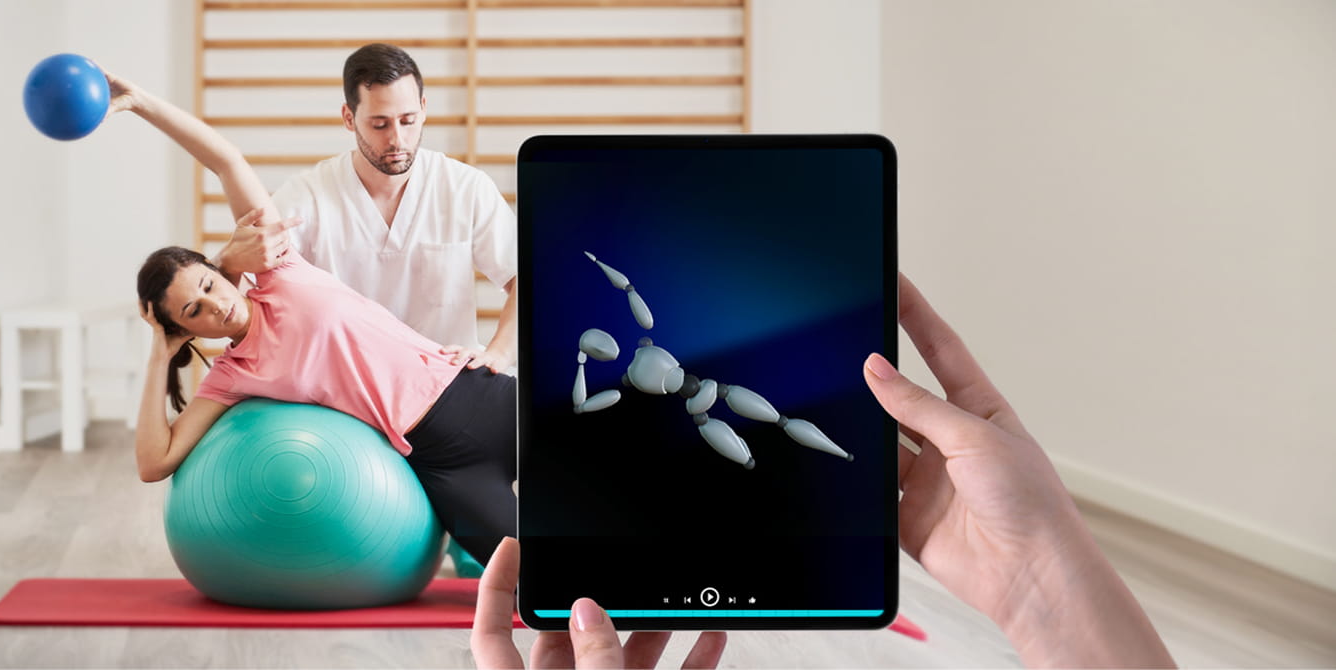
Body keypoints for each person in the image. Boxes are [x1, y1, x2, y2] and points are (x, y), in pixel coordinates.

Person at [471, 274, 1177, 669]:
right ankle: (828, 457)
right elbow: (588, 391)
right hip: (700, 402)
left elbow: (615, 326)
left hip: (700, 400)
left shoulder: (633, 352)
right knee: (761, 437)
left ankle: (831, 457)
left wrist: (1036, 576)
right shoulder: (629, 362)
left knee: (764, 436)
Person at [112, 70, 517, 567]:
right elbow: (155, 463)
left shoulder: (280, 269)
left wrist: (138, 102)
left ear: (222, 270)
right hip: (437, 461)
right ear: (188, 329)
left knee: (614, 460)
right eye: (194, 311)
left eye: (208, 285)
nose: (215, 305)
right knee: (539, 585)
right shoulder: (232, 376)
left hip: (474, 396)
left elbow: (224, 160)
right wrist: (159, 352)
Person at [210, 43, 519, 375]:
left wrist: (499, 353)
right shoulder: (309, 195)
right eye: (380, 124)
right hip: (346, 389)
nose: (397, 139)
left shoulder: (465, 187)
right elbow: (255, 298)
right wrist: (227, 261)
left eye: (408, 120)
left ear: (424, 109)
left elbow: (524, 278)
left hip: (447, 382)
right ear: (348, 117)